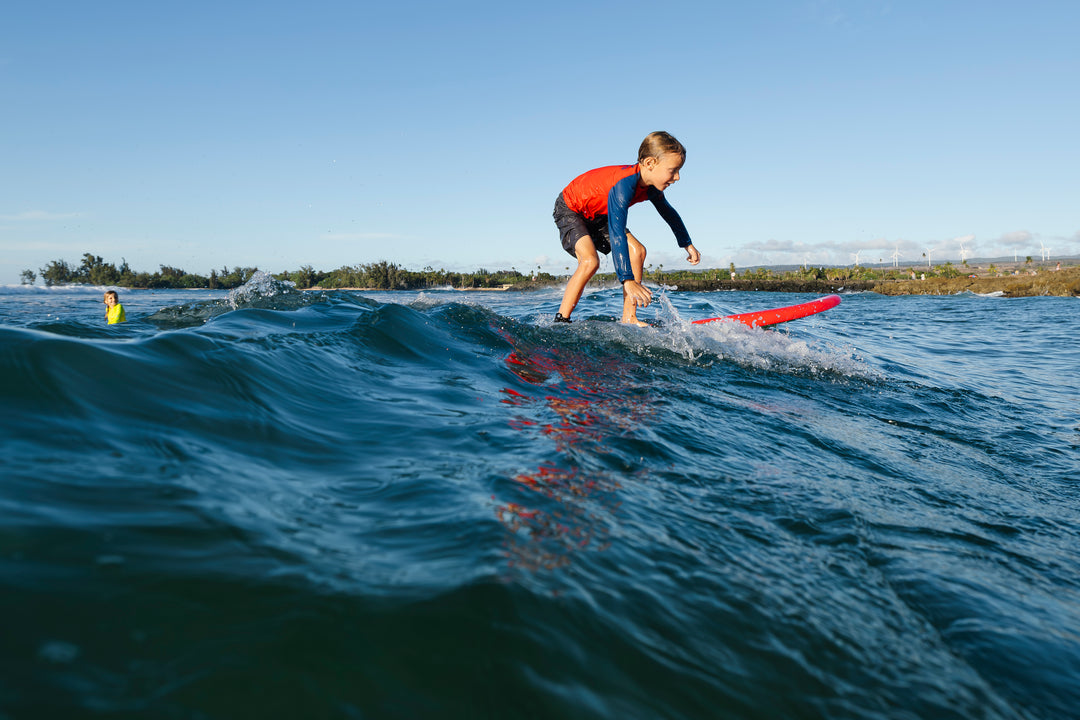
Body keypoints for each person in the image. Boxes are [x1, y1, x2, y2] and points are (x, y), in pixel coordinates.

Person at [552, 131, 700, 326]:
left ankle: (629, 317)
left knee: (637, 251)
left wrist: (687, 244)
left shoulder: (650, 188)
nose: (677, 177)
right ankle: (562, 320)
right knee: (590, 261)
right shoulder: (624, 186)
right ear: (649, 164)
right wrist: (627, 279)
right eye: (673, 170)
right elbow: (617, 232)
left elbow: (669, 214)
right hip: (571, 208)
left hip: (598, 213)